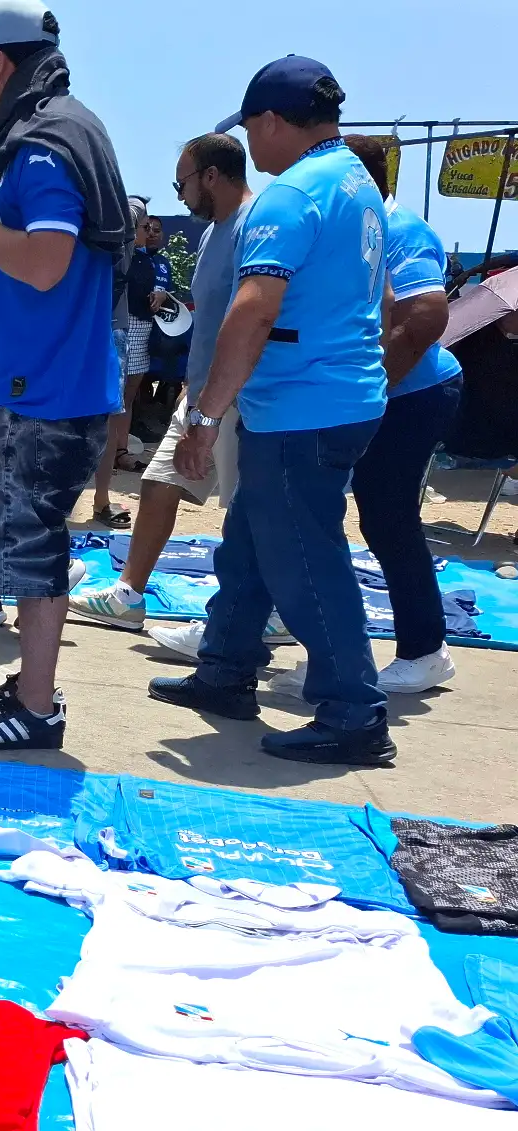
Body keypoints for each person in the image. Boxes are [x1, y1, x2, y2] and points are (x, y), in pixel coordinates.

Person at [147, 57, 394, 767]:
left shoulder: (292, 197)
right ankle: (226, 668)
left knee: (305, 560)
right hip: (336, 393)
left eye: (253, 129)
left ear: (272, 122)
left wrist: (204, 418)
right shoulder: (359, 187)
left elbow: (251, 312)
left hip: (300, 406)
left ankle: (353, 710)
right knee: (252, 539)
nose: (252, 146)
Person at [0, 0, 129, 752]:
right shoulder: (64, 129)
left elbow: (44, 264)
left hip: (41, 392)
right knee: (35, 546)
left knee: (35, 554)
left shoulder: (40, 148)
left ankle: (37, 708)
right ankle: (32, 687)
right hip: (53, 382)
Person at [70, 133, 255, 633]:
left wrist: (214, 405)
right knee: (157, 485)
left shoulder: (253, 227)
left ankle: (254, 618)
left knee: (248, 513)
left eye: (182, 183)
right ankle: (129, 595)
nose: (179, 196)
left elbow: (251, 321)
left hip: (237, 395)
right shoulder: (216, 231)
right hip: (202, 392)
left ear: (211, 176)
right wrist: (194, 389)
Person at [323, 133, 465, 695]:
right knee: (367, 516)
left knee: (389, 518)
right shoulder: (362, 229)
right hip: (385, 392)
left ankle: (426, 650)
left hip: (415, 394)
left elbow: (427, 317)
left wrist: (371, 390)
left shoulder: (401, 229)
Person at [88, 198, 167, 527]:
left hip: (98, 335)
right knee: (105, 417)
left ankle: (101, 498)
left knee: (108, 417)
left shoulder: (121, 255)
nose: (147, 232)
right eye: (143, 226)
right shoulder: (116, 254)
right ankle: (100, 499)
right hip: (103, 336)